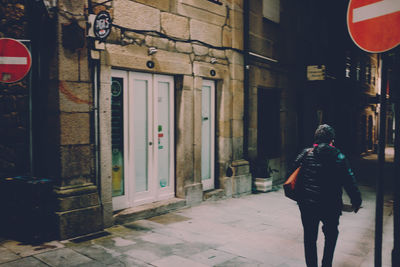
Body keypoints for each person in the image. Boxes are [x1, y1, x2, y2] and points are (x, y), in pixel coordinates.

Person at [293, 124, 362, 267]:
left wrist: (300, 198)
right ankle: (326, 264)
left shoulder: (306, 153)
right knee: (331, 236)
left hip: (308, 205)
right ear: (332, 140)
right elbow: (349, 180)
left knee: (310, 238)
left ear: (316, 138)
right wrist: (356, 200)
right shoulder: (338, 156)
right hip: (331, 205)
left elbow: (292, 174)